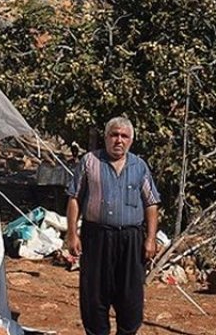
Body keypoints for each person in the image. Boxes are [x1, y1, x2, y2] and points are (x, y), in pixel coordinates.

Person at [65, 116, 161, 335]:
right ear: (106, 137)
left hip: (131, 238)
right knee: (94, 294)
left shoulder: (139, 166)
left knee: (130, 295)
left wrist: (150, 238)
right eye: (114, 135)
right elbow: (74, 198)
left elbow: (151, 203)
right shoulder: (90, 162)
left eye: (124, 136)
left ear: (131, 140)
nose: (119, 140)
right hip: (96, 237)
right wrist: (72, 234)